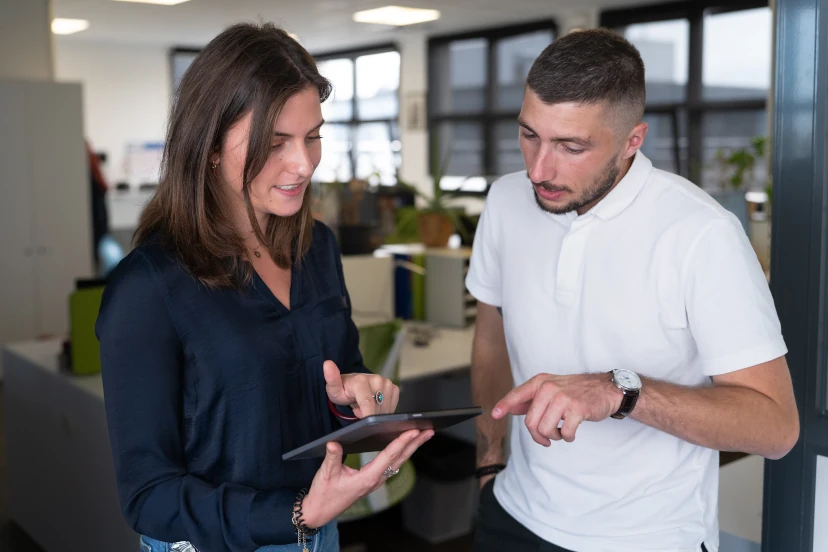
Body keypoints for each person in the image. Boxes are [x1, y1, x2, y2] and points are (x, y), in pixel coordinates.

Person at [96, 23, 433, 552]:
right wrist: (295, 514)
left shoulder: (316, 246)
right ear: (209, 147)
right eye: (275, 143)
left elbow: (337, 373)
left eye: (313, 136)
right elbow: (148, 496)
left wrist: (357, 398)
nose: (303, 163)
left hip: (319, 533)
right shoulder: (148, 287)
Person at [466, 28, 799, 552]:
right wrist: (490, 459)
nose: (538, 168)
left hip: (648, 538)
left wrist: (621, 392)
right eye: (529, 134)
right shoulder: (506, 200)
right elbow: (490, 337)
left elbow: (775, 427)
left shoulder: (701, 234)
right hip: (511, 515)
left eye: (571, 146)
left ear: (632, 141)